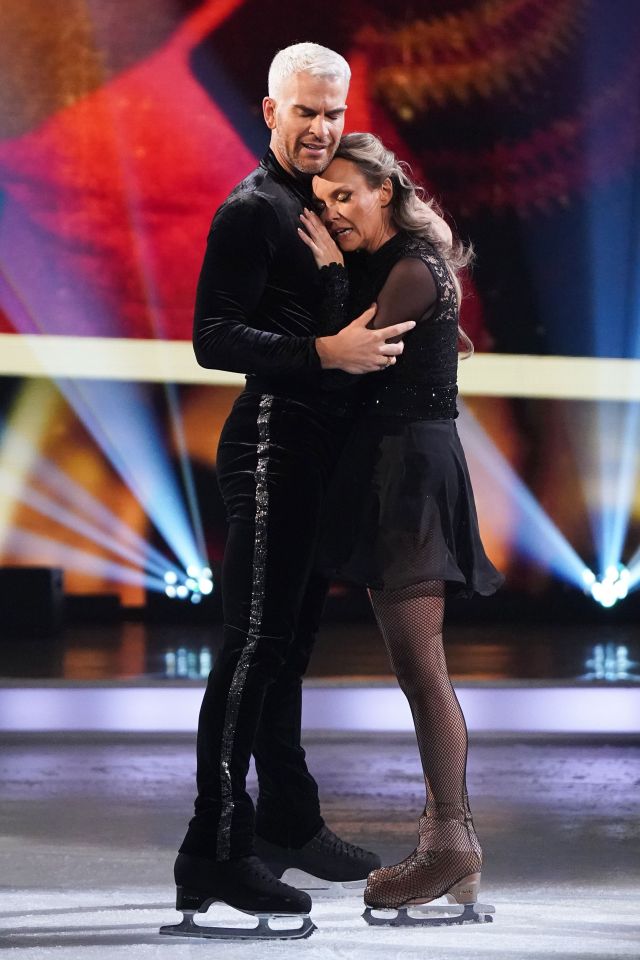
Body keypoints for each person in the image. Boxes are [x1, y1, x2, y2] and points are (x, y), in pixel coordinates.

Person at [163, 46, 419, 940]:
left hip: (312, 454)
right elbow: (211, 336)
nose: (320, 129)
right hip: (272, 446)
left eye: (332, 113)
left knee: (286, 649)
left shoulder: (315, 207)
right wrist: (321, 354)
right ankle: (214, 846)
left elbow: (333, 314)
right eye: (304, 112)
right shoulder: (251, 210)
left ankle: (286, 820)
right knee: (255, 649)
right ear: (269, 112)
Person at [298, 132, 503, 925]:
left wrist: (322, 276)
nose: (335, 213)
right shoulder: (395, 265)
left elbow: (356, 354)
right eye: (323, 203)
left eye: (346, 196)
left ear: (385, 191)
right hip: (396, 468)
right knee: (417, 665)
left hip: (410, 477)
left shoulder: (414, 269)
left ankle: (451, 841)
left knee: (422, 666)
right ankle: (447, 838)